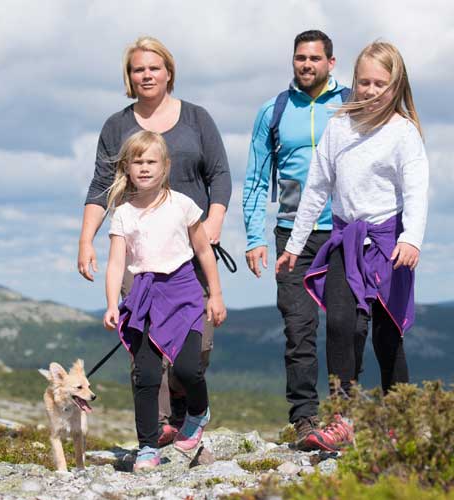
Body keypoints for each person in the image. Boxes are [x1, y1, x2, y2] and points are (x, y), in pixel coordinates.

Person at [275, 40, 429, 452]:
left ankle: (400, 421)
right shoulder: (339, 126)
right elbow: (316, 188)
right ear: (354, 81)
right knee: (341, 325)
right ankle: (343, 419)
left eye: (380, 84)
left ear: (395, 86)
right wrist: (295, 244)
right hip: (346, 241)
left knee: (387, 335)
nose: (370, 91)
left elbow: (416, 191)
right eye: (364, 82)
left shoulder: (403, 133)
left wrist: (411, 239)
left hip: (390, 243)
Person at [78, 36, 231, 445]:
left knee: (194, 352)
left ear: (168, 72)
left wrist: (214, 220)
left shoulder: (197, 118)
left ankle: (184, 412)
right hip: (139, 254)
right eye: (137, 69)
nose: (146, 75)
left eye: (153, 67)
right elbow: (100, 185)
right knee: (146, 352)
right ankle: (158, 429)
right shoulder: (116, 126)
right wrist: (86, 239)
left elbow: (219, 174)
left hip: (192, 249)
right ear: (129, 77)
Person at [241, 30, 352, 451]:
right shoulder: (273, 111)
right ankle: (305, 418)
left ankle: (343, 415)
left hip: (342, 230)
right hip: (291, 235)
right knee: (298, 329)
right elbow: (256, 179)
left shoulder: (351, 103)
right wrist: (255, 237)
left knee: (344, 326)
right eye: (300, 58)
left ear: (331, 62)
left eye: (315, 58)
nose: (306, 65)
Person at [102, 130, 227, 471]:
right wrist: (112, 303)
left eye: (151, 161)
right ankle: (147, 446)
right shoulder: (123, 214)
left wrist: (215, 295)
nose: (144, 168)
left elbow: (204, 251)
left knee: (187, 369)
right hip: (143, 297)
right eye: (137, 162)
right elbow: (116, 264)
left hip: (184, 293)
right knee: (146, 374)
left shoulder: (182, 205)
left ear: (165, 166)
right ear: (127, 169)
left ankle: (198, 412)